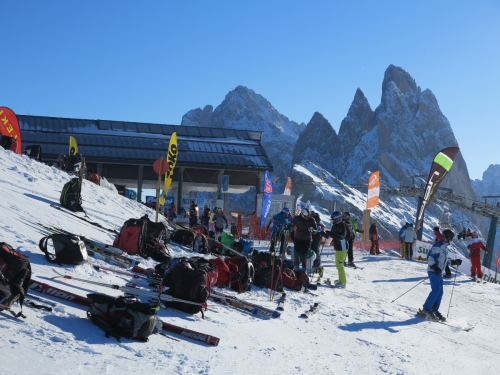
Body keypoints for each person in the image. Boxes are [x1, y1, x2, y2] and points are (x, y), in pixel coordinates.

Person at [421, 229, 462, 321]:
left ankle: (434, 309)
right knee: (436, 291)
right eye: (451, 239)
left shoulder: (444, 247)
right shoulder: (438, 246)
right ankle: (426, 309)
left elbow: (444, 261)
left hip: (439, 272)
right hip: (433, 271)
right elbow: (430, 257)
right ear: (447, 237)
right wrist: (435, 267)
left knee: (440, 292)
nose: (451, 240)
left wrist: (454, 262)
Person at [324, 211, 349, 288]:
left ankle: (343, 282)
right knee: (338, 264)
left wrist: (331, 234)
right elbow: (331, 234)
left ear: (337, 219)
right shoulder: (335, 225)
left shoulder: (342, 226)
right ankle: (341, 279)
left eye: (333, 219)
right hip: (338, 247)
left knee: (340, 265)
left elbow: (341, 236)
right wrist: (325, 234)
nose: (332, 221)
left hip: (342, 247)